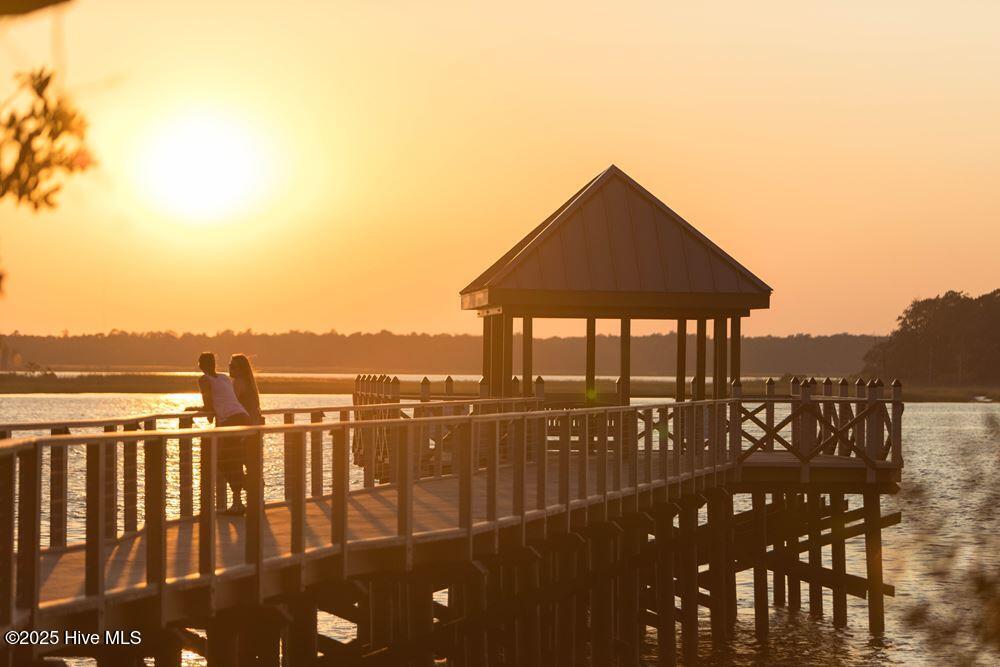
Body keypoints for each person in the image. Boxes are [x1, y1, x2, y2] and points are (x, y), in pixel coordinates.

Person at [190, 352, 250, 514]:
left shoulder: (203, 380)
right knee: (234, 459)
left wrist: (196, 410)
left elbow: (208, 403)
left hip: (231, 420)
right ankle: (239, 502)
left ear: (200, 365)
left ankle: (249, 485)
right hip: (244, 417)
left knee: (223, 460)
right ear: (215, 363)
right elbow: (224, 398)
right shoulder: (224, 377)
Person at [229, 354, 264, 425]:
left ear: (241, 369)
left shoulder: (238, 382)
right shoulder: (250, 383)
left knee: (212, 434)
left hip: (245, 424)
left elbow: (231, 403)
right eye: (229, 366)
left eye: (233, 367)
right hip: (256, 423)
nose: (230, 369)